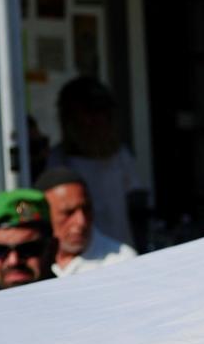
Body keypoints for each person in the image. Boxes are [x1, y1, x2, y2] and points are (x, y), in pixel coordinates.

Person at [46, 76, 148, 250]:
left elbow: (136, 205)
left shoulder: (120, 155)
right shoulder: (59, 160)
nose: (95, 120)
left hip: (121, 249)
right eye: (87, 113)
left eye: (100, 113)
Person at [34, 167, 137, 277]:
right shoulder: (26, 263)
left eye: (86, 209)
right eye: (68, 213)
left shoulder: (121, 261)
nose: (81, 221)